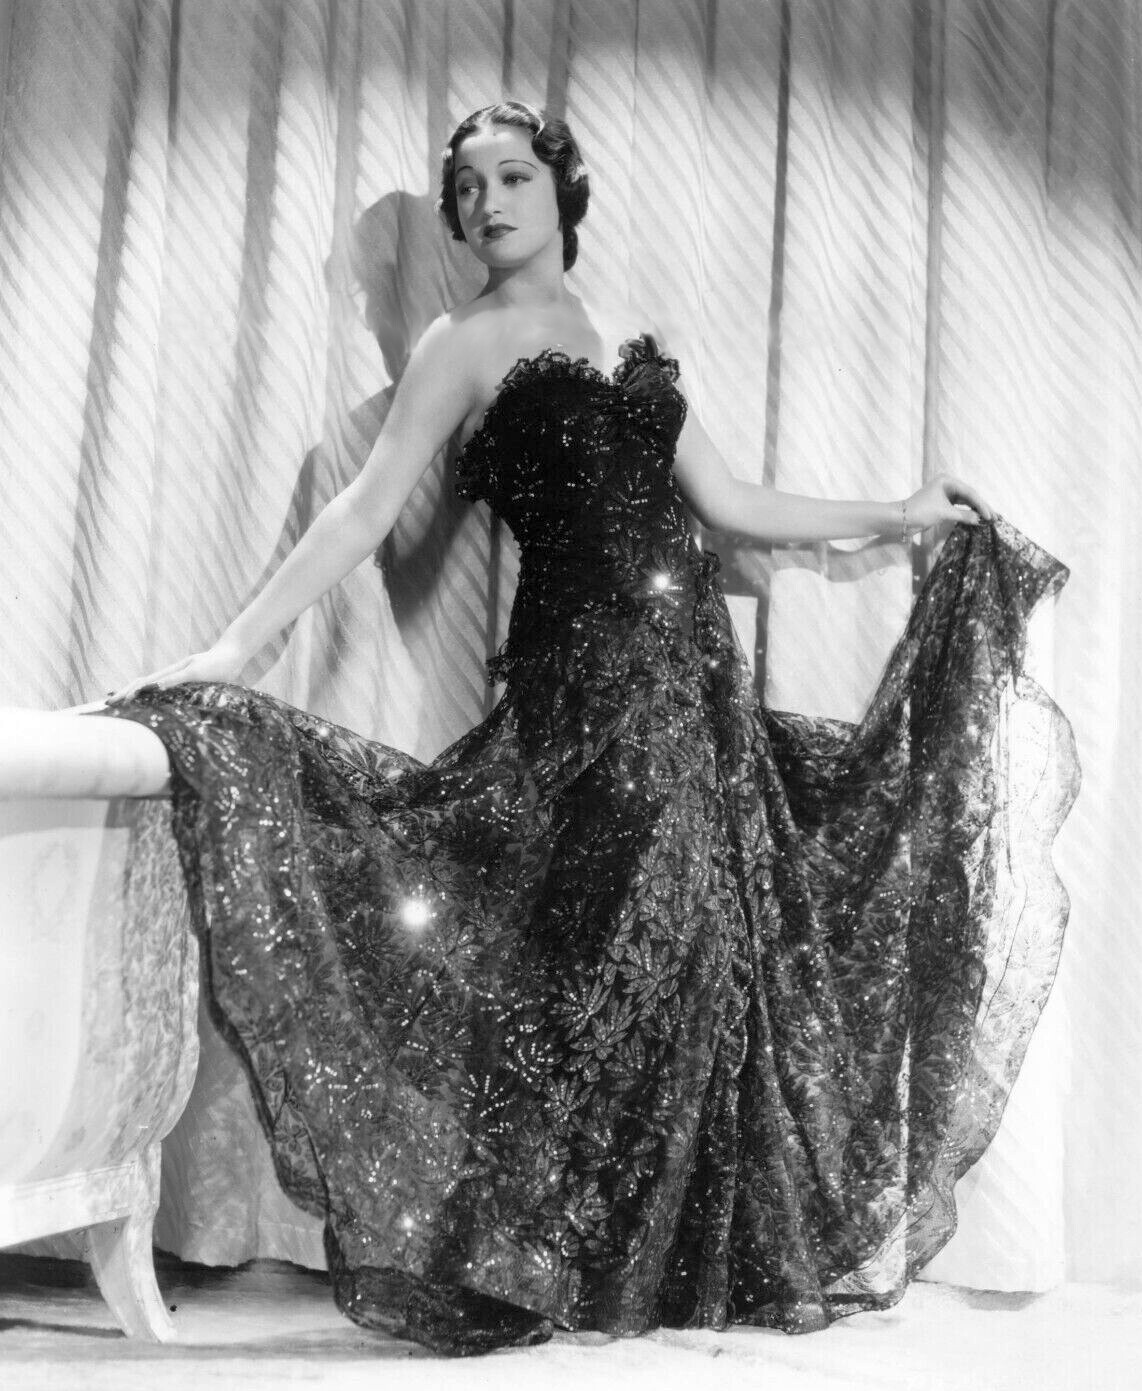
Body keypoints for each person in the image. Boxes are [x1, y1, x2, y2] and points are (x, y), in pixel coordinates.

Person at [100, 101, 1076, 1356]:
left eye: (511, 176)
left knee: (693, 956)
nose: (486, 203)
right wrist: (239, 648)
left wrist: (897, 509)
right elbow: (361, 510)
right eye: (466, 188)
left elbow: (731, 501)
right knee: (585, 955)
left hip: (696, 685)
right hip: (582, 687)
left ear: (562, 193)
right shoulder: (459, 342)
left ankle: (647, 1256)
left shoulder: (624, 337)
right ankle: (535, 1249)